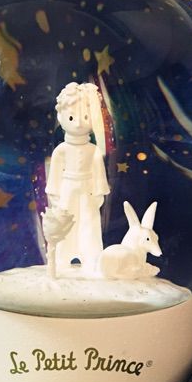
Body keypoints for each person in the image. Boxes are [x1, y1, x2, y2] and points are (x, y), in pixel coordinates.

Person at [46, 82, 110, 274]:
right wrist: (54, 194)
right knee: (65, 221)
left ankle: (90, 257)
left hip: (87, 188)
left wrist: (99, 191)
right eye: (72, 117)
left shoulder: (93, 150)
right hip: (67, 188)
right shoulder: (61, 150)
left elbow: (99, 173)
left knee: (89, 221)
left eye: (85, 117)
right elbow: (55, 175)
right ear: (61, 117)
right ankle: (63, 257)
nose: (79, 124)